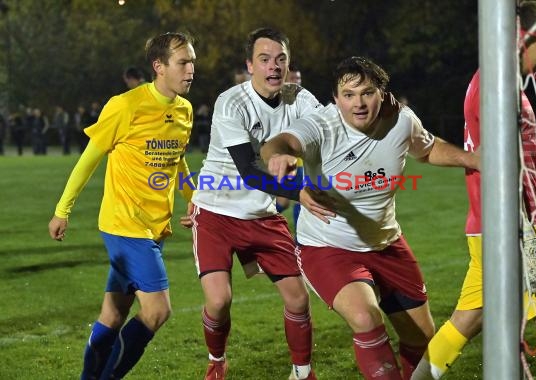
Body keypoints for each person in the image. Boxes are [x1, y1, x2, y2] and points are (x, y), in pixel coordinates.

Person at [261, 56, 480, 380]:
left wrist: (475, 159)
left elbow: (428, 148)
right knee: (365, 317)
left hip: (387, 244)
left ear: (382, 94)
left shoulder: (402, 121)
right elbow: (281, 143)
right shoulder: (321, 125)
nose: (358, 103)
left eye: (366, 93)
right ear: (336, 99)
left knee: (422, 340)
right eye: (348, 95)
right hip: (328, 248)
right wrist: (280, 155)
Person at [411, 2, 536, 379]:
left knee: (467, 320)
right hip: (509, 224)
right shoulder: (495, 88)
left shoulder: (502, 83)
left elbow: (516, 158)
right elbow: (492, 160)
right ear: (521, 38)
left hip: (496, 223)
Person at [181, 27, 328, 380]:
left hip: (263, 215)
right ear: (250, 65)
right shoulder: (231, 102)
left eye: (281, 60)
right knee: (218, 301)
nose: (273, 67)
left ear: (289, 65)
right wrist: (302, 192)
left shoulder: (300, 99)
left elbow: (331, 129)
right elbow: (249, 169)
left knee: (298, 299)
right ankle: (217, 361)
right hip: (217, 211)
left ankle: (302, 372)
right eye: (264, 60)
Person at [48, 31, 197, 380]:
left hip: (154, 226)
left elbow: (178, 163)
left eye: (193, 61)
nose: (191, 69)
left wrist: (193, 200)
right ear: (159, 66)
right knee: (158, 311)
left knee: (112, 317)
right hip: (124, 225)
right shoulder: (125, 105)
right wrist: (62, 210)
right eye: (183, 62)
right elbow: (88, 161)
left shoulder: (185, 110)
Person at [276, 66, 305, 234]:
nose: (297, 82)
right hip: (286, 159)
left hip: (300, 159)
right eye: (293, 79)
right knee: (297, 199)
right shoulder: (281, 102)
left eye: (299, 79)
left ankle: (256, 223)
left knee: (288, 200)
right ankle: (299, 243)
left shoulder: (304, 101)